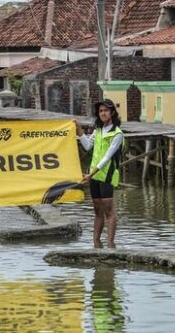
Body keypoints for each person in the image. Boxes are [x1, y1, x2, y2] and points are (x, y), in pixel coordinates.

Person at [76, 99, 123, 249]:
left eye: (106, 110)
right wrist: (78, 130)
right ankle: (96, 243)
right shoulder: (97, 131)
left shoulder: (117, 134)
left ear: (112, 113)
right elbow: (87, 146)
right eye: (100, 111)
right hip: (94, 175)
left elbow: (107, 157)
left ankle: (110, 243)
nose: (103, 113)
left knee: (108, 209)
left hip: (107, 174)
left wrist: (91, 174)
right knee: (97, 210)